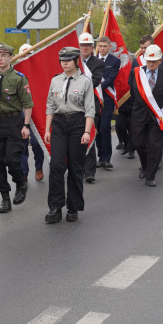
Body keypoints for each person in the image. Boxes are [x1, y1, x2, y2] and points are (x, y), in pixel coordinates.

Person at [44, 47, 95, 222]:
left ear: (76, 61)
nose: (64, 63)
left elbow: (90, 108)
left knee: (75, 166)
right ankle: (55, 207)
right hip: (59, 124)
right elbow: (50, 105)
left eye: (68, 60)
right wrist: (47, 129)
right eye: (62, 60)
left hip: (77, 124)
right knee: (56, 165)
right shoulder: (55, 80)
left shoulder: (85, 81)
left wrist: (87, 132)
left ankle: (73, 207)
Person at [0, 43, 33, 214]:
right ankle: (5, 198)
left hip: (14, 122)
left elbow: (28, 104)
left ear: (11, 58)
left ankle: (20, 183)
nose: (0, 59)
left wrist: (26, 125)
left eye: (4, 56)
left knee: (12, 159)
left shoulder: (18, 78)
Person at [128, 44, 163, 187]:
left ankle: (150, 176)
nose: (151, 64)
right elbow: (132, 92)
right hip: (139, 114)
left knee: (155, 146)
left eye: (154, 61)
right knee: (138, 143)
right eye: (149, 61)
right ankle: (145, 166)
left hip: (156, 116)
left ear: (160, 60)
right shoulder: (136, 72)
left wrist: (160, 110)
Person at [115, 35, 154, 160]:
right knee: (121, 126)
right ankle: (127, 144)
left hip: (142, 103)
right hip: (127, 101)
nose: (143, 50)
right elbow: (132, 80)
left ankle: (133, 150)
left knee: (136, 128)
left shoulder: (160, 61)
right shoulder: (135, 63)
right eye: (141, 48)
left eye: (145, 48)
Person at [77, 33, 105, 183]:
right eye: (83, 45)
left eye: (88, 45)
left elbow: (95, 81)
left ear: (92, 47)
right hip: (75, 105)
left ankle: (89, 172)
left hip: (91, 104)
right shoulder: (74, 61)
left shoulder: (97, 63)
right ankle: (78, 168)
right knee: (76, 138)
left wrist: (77, 86)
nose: (85, 48)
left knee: (89, 137)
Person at [17, 43, 45, 181]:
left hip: (35, 113)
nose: (26, 58)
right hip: (20, 113)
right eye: (23, 55)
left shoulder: (39, 72)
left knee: (36, 143)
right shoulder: (15, 73)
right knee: (21, 145)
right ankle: (24, 172)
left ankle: (39, 167)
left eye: (29, 55)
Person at [93, 35, 121, 171]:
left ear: (109, 47)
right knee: (97, 128)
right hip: (94, 99)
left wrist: (98, 87)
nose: (102, 48)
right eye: (100, 46)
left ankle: (107, 158)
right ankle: (100, 156)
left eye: (105, 46)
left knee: (105, 127)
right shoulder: (92, 60)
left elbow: (111, 79)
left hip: (107, 98)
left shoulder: (115, 61)